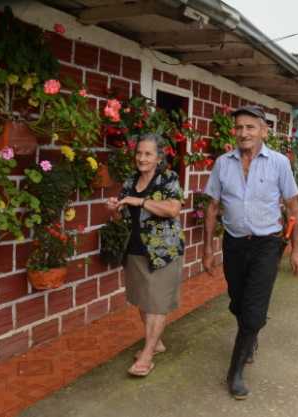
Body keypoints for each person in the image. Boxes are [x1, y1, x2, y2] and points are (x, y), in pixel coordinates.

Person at [202, 105, 298, 400]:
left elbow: (294, 208)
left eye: (250, 127)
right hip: (234, 244)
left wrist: (296, 250)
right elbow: (211, 207)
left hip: (267, 244)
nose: (244, 133)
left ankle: (235, 372)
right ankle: (251, 335)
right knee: (238, 303)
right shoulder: (223, 163)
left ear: (263, 130)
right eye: (239, 128)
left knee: (254, 311)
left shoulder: (279, 163)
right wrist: (208, 249)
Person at [106, 133, 185, 377]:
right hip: (136, 250)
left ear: (159, 157)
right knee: (143, 300)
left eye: (148, 154)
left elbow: (173, 209)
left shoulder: (168, 178)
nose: (142, 158)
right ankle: (157, 342)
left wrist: (138, 201)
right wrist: (115, 209)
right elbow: (123, 216)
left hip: (163, 252)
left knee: (157, 305)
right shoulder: (131, 181)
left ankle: (148, 354)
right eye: (139, 153)